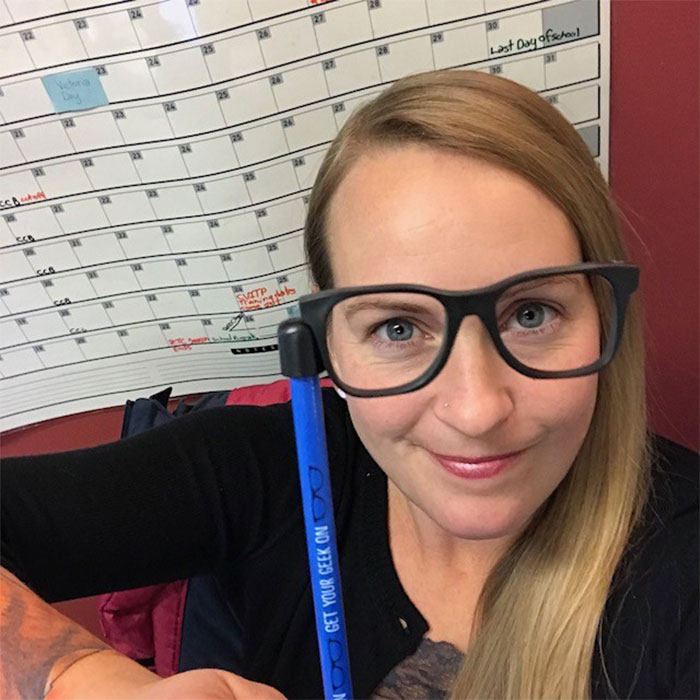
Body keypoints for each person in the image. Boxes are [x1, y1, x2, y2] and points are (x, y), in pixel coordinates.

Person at [1, 70, 697, 700]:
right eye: (398, 327)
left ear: (604, 312)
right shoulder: (277, 468)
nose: (477, 409)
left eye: (532, 314)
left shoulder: (679, 564)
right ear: (327, 344)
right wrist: (81, 678)